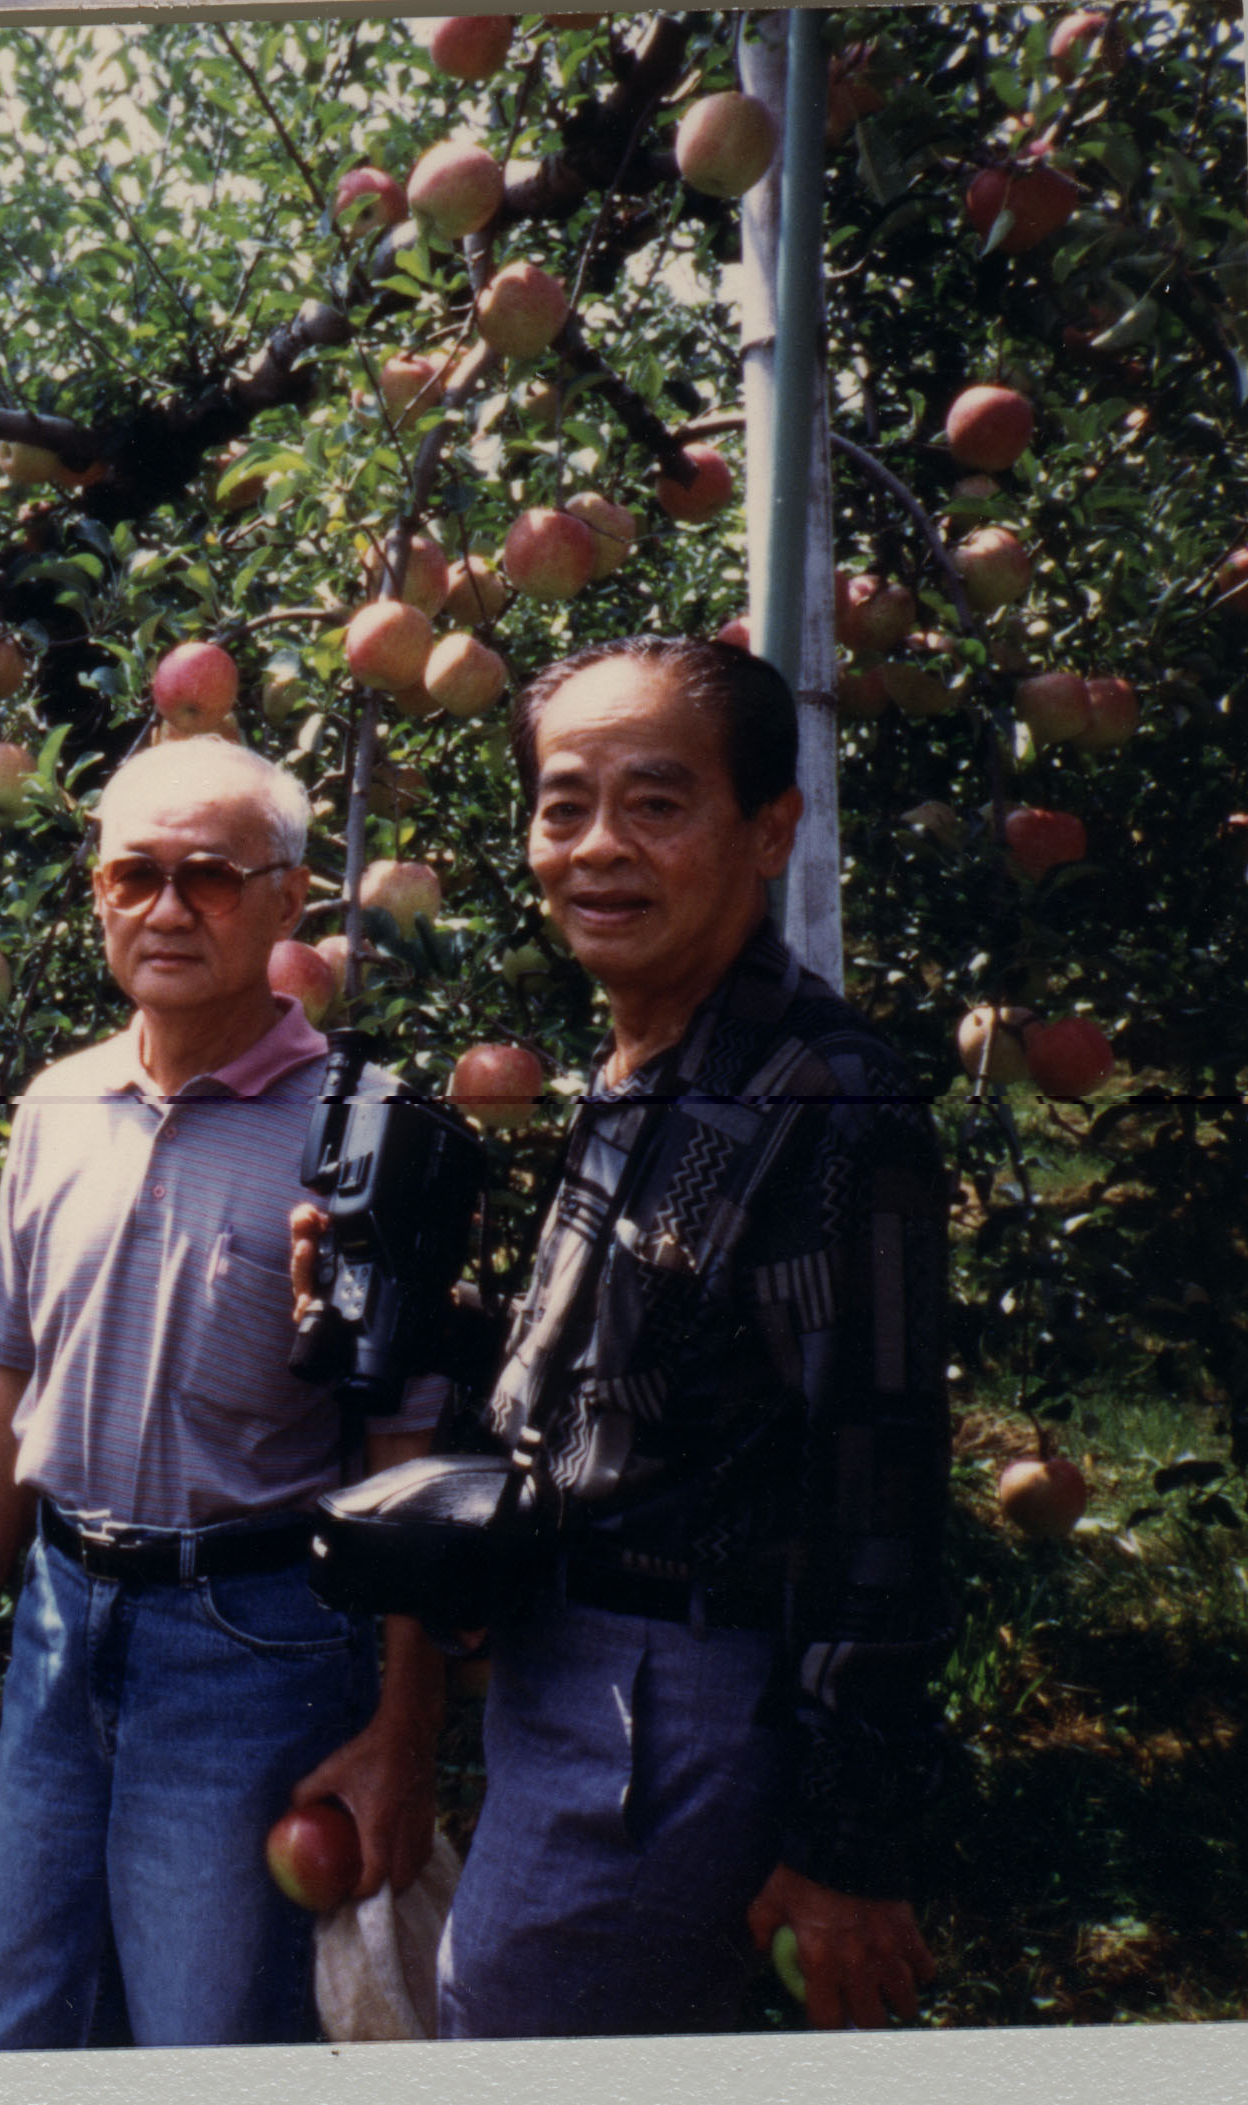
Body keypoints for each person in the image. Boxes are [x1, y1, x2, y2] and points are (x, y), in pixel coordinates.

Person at [367, 636, 953, 2036]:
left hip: (672, 1695)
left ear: (770, 830)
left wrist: (844, 1841)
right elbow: (644, 1381)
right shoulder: (652, 1066)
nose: (598, 847)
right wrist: (417, 1310)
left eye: (656, 802)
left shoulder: (823, 1101)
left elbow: (878, 1481)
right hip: (572, 1665)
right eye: (564, 805)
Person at [0, 737, 448, 2051]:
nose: (165, 908)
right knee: (5, 2027)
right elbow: (14, 1379)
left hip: (251, 1638)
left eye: (207, 876)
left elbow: (408, 1452)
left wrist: (406, 1722)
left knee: (205, 2036)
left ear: (289, 898)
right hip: (62, 1618)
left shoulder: (365, 1129)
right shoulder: (57, 1104)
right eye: (131, 875)